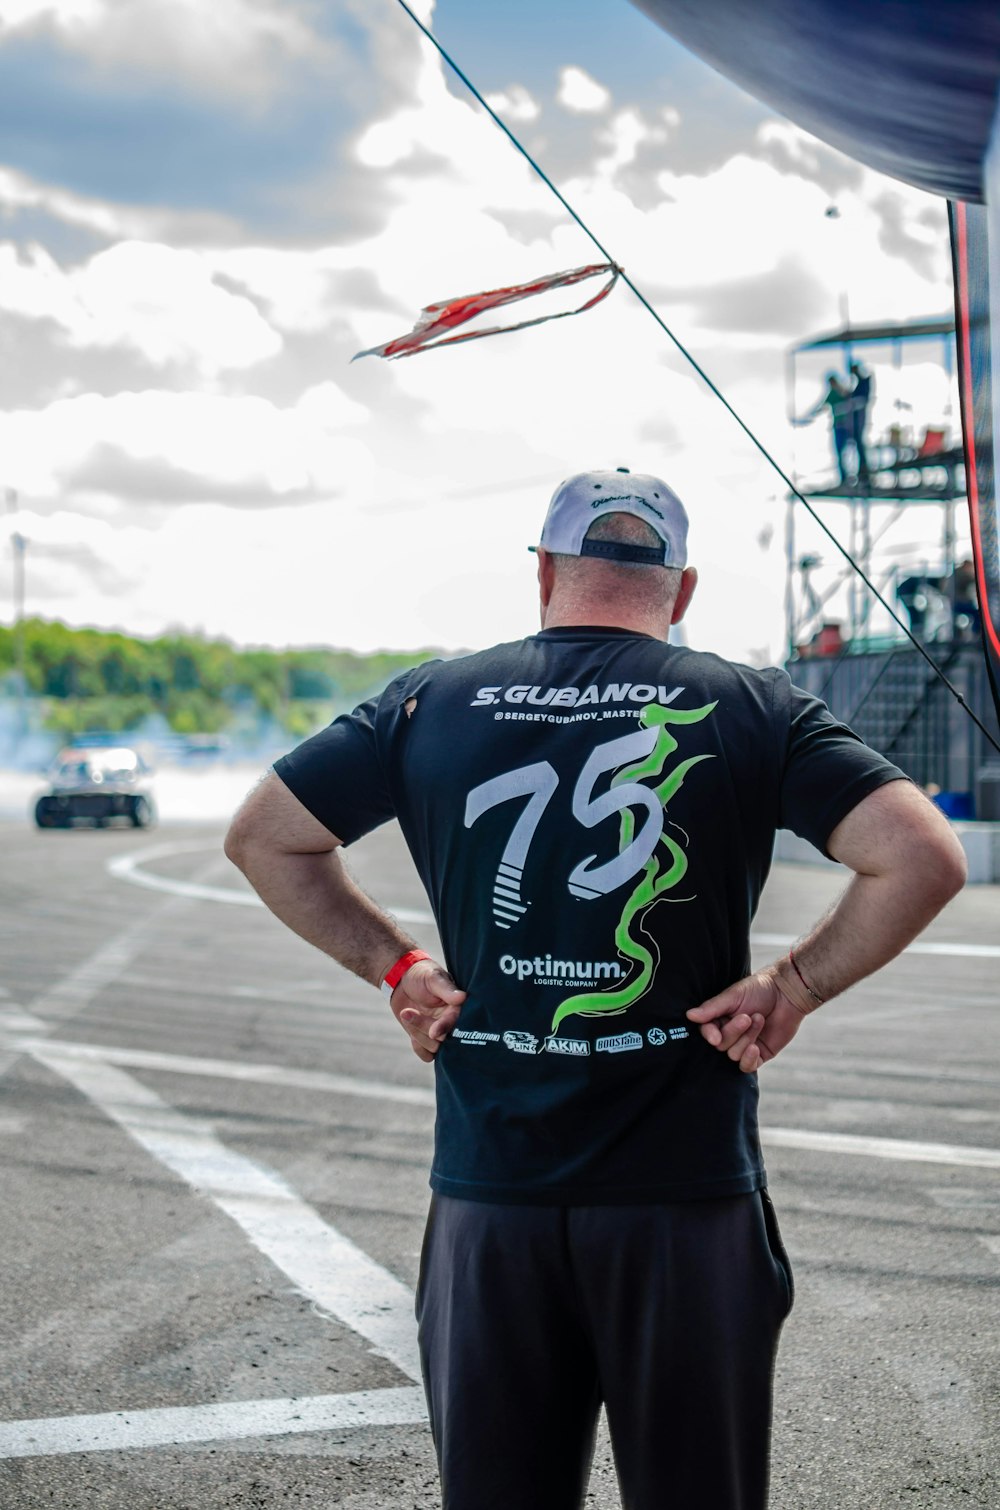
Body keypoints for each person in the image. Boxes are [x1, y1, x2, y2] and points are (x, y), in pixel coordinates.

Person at [225, 467, 967, 1510]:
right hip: (683, 1200)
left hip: (493, 1195)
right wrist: (793, 983)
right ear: (685, 586)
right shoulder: (748, 703)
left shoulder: (429, 698)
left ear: (542, 576)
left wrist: (396, 967)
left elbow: (265, 837)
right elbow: (921, 856)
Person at [802, 373, 855, 484]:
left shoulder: (844, 392)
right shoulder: (832, 394)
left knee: (849, 451)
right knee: (839, 453)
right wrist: (808, 416)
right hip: (838, 427)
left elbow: (851, 402)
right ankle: (844, 478)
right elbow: (822, 406)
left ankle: (852, 476)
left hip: (848, 426)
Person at [849, 361, 874, 482]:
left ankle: (864, 470)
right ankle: (862, 470)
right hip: (856, 419)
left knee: (859, 444)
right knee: (858, 444)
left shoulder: (864, 382)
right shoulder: (859, 383)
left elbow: (863, 400)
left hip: (859, 418)